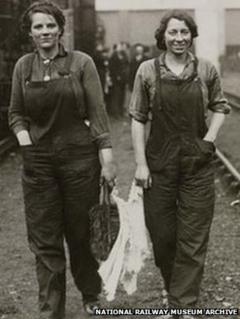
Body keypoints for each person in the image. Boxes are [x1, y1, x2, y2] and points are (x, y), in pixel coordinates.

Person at [8, 1, 115, 318]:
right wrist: (27, 145)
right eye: (38, 26)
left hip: (80, 162)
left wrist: (107, 161)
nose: (44, 31)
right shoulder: (23, 67)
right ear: (30, 32)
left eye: (50, 25)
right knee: (45, 241)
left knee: (80, 235)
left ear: (60, 28)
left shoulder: (82, 63)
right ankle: (51, 310)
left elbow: (98, 116)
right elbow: (16, 114)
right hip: (39, 164)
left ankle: (90, 295)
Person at [130, 10, 230, 319]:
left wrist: (209, 140)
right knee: (162, 236)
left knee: (193, 235)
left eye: (184, 32)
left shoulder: (206, 70)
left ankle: (183, 305)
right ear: (163, 36)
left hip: (196, 163)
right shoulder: (147, 71)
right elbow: (137, 119)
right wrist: (141, 164)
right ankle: (176, 291)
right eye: (173, 33)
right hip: (159, 163)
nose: (179, 38)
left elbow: (220, 107)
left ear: (192, 35)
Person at [109, 43, 129, 118]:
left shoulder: (124, 56)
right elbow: (112, 68)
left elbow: (127, 65)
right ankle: (115, 113)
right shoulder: (113, 57)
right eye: (119, 47)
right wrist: (116, 75)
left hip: (123, 79)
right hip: (116, 80)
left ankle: (121, 112)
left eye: (121, 47)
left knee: (122, 96)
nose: (120, 48)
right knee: (116, 96)